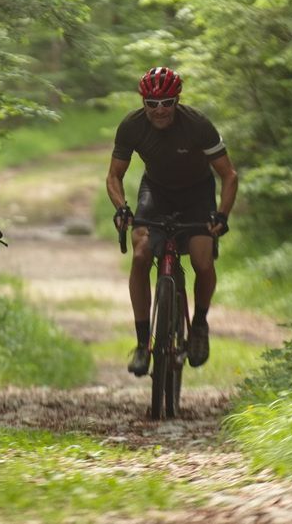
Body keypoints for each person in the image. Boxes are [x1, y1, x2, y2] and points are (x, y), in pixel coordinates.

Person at [106, 66, 238, 376]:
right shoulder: (132, 126)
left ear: (177, 100)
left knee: (202, 260)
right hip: (157, 191)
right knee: (141, 255)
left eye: (167, 102)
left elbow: (229, 175)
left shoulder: (197, 125)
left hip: (197, 194)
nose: (160, 110)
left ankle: (199, 326)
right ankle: (143, 344)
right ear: (143, 103)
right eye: (152, 104)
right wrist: (122, 208)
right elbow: (114, 176)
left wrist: (222, 214)